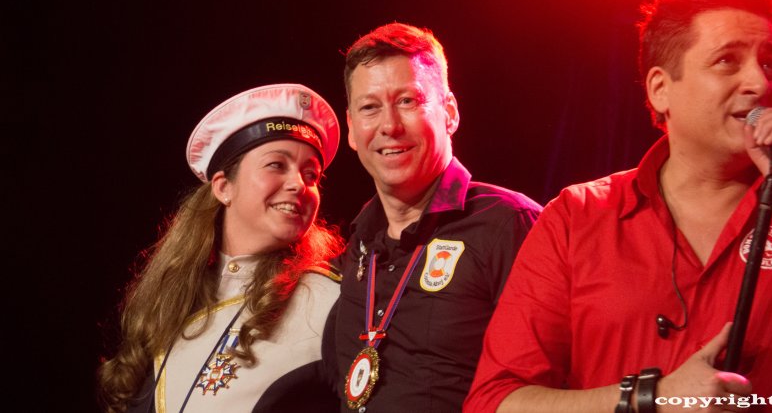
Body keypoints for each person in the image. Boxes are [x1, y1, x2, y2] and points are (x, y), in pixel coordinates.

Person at [465, 0, 772, 412]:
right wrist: (653, 399)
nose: (759, 83)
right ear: (660, 89)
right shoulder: (576, 217)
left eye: (770, 64)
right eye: (727, 61)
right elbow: (496, 401)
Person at [327, 22, 542, 412]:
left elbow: (553, 381)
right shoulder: (358, 243)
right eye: (370, 107)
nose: (390, 126)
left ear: (450, 113)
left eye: (408, 101)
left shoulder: (507, 225)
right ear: (353, 129)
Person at [98, 83, 344, 413]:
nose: (299, 184)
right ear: (223, 187)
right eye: (277, 164)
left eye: (311, 174)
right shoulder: (170, 302)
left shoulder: (329, 300)